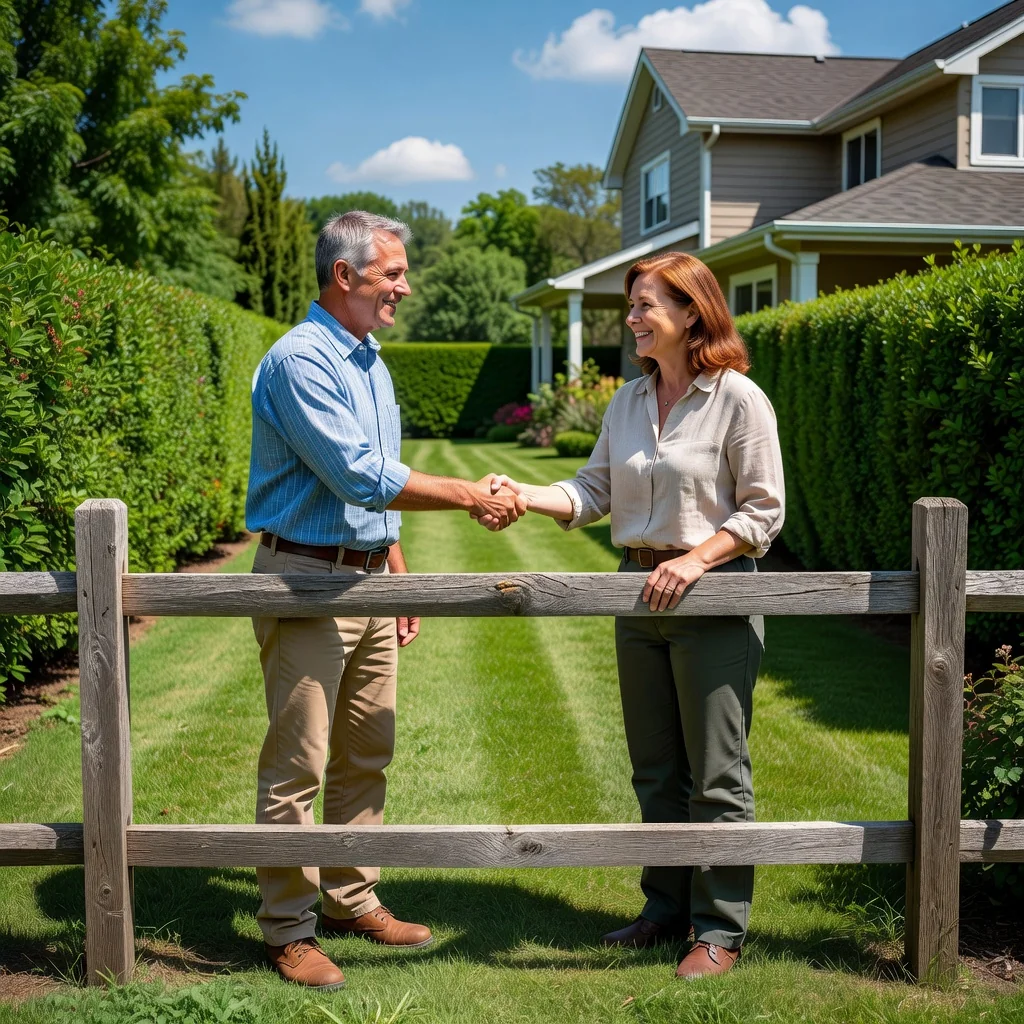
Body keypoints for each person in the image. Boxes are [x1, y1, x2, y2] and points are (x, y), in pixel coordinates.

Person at [480, 251, 784, 980]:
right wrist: (524, 494)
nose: (634, 318)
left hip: (713, 597)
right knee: (655, 770)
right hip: (634, 594)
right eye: (634, 305)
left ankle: (719, 931)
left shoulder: (739, 399)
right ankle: (664, 909)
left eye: (647, 305)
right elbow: (592, 490)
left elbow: (763, 510)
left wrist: (698, 557)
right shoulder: (627, 402)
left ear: (691, 314)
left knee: (717, 775)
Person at [246, 211, 526, 991]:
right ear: (346, 276)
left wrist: (395, 564)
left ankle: (350, 899)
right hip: (305, 579)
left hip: (368, 576)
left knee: (368, 748)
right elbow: (358, 473)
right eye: (392, 273)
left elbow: (383, 482)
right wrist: (471, 495)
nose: (404, 287)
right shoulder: (301, 361)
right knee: (298, 761)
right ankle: (288, 929)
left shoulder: (369, 358)